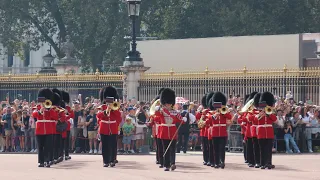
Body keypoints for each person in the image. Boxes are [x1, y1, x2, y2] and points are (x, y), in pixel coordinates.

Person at [153, 88, 187, 171]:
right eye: (166, 104)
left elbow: (180, 120)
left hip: (172, 132)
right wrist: (157, 109)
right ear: (164, 103)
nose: (168, 105)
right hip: (164, 132)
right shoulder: (161, 111)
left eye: (169, 103)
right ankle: (166, 165)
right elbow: (156, 116)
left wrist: (184, 119)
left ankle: (173, 163)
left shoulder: (175, 112)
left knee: (172, 149)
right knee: (166, 149)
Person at [205, 92, 232, 169]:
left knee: (222, 148)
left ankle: (222, 162)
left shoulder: (224, 111)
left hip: (223, 133)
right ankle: (216, 163)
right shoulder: (211, 113)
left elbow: (229, 117)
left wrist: (223, 113)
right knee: (215, 149)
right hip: (215, 133)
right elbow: (207, 122)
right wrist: (214, 116)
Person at [96, 86, 122, 167]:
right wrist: (105, 111)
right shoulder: (102, 107)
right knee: (105, 146)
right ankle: (105, 161)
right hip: (104, 128)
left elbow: (119, 118)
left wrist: (113, 109)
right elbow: (98, 116)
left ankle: (112, 160)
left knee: (113, 145)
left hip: (113, 128)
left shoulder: (115, 106)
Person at [33, 88, 58, 168]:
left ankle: (48, 161)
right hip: (39, 130)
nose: (43, 103)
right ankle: (41, 162)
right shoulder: (37, 108)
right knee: (40, 147)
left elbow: (55, 117)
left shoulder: (51, 109)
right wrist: (40, 111)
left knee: (48, 146)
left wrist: (49, 110)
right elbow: (34, 114)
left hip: (49, 130)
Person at [253, 91, 277, 169]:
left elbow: (275, 119)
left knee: (268, 149)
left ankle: (268, 163)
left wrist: (269, 114)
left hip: (269, 132)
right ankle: (262, 163)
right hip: (261, 133)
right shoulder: (258, 113)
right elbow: (255, 121)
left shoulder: (270, 112)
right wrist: (260, 115)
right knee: (262, 149)